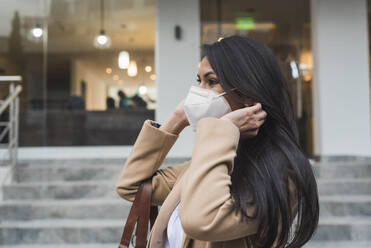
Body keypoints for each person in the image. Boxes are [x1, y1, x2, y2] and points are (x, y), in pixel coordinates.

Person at [115, 35, 319, 248]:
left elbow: (201, 220)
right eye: (198, 81)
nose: (199, 92)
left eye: (211, 81)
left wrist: (221, 130)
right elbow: (132, 186)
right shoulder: (210, 161)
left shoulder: (281, 174)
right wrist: (176, 118)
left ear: (249, 93)